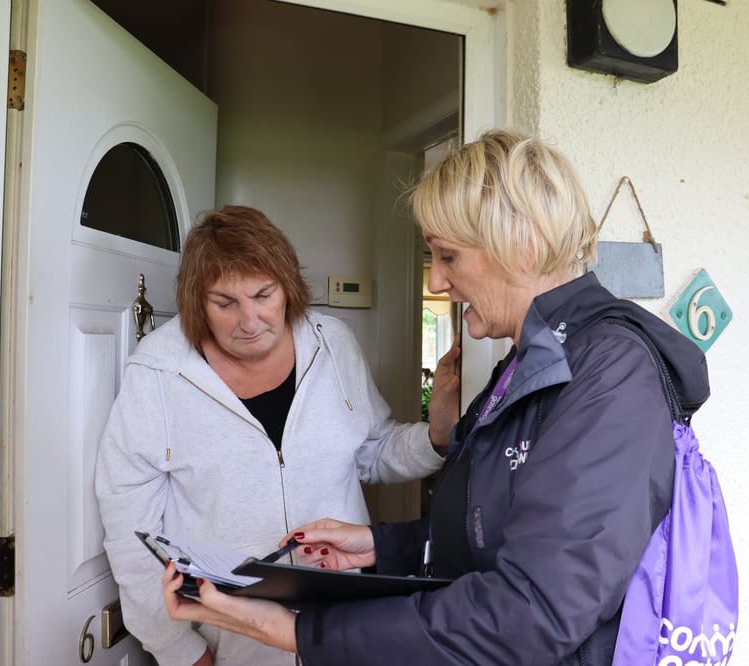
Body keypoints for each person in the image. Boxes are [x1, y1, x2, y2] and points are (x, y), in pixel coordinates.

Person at [160, 130, 711, 665]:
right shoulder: (526, 360)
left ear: (522, 243)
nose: (439, 282)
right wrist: (381, 547)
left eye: (448, 257)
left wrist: (302, 630)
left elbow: (533, 612)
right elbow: (485, 530)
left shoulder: (611, 370)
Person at [95, 205, 460, 666]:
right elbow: (131, 532)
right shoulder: (157, 373)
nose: (249, 322)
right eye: (224, 303)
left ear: (287, 286)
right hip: (232, 642)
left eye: (263, 295)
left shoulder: (333, 344)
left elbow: (371, 452)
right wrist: (181, 652)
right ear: (197, 302)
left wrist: (440, 434)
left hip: (344, 630)